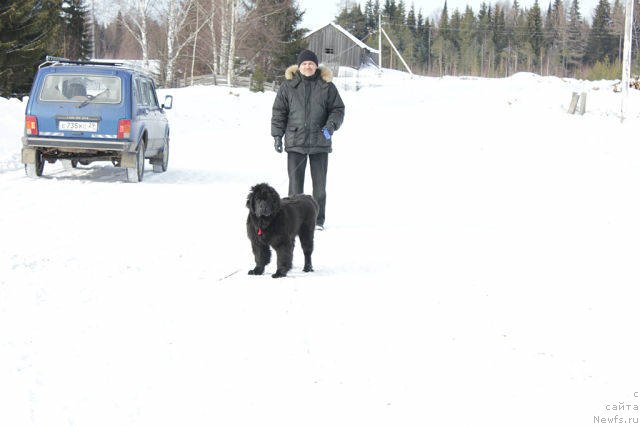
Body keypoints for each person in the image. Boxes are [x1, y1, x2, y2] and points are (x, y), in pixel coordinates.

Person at [271, 49, 345, 230]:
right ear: (299, 66)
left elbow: (338, 110)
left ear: (316, 65)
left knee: (319, 188)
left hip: (320, 142)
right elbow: (279, 112)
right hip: (296, 143)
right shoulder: (288, 86)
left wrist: (330, 126)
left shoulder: (327, 86)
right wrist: (277, 135)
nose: (307, 66)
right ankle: (293, 220)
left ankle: (317, 220)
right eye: (304, 63)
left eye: (311, 63)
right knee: (295, 187)